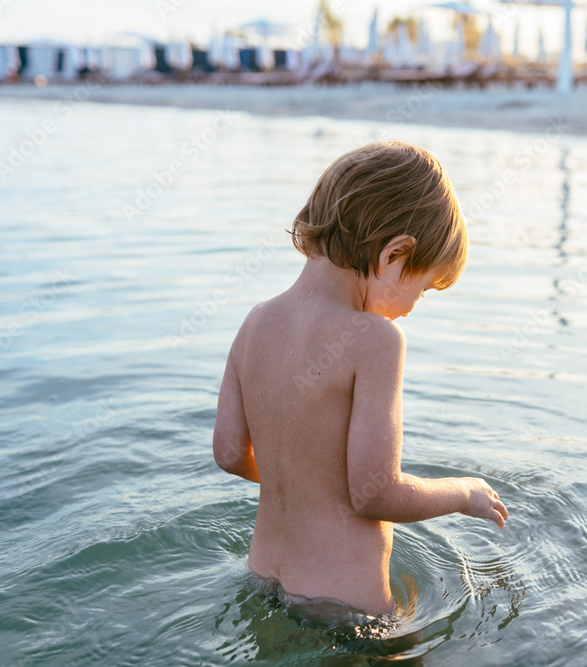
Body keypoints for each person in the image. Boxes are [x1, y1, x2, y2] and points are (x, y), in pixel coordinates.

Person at [212, 141, 509, 622]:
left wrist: (304, 481)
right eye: (424, 287)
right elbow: (375, 492)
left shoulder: (254, 323)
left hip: (262, 581)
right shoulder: (376, 339)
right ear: (396, 254)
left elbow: (229, 452)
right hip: (346, 610)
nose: (414, 306)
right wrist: (462, 493)